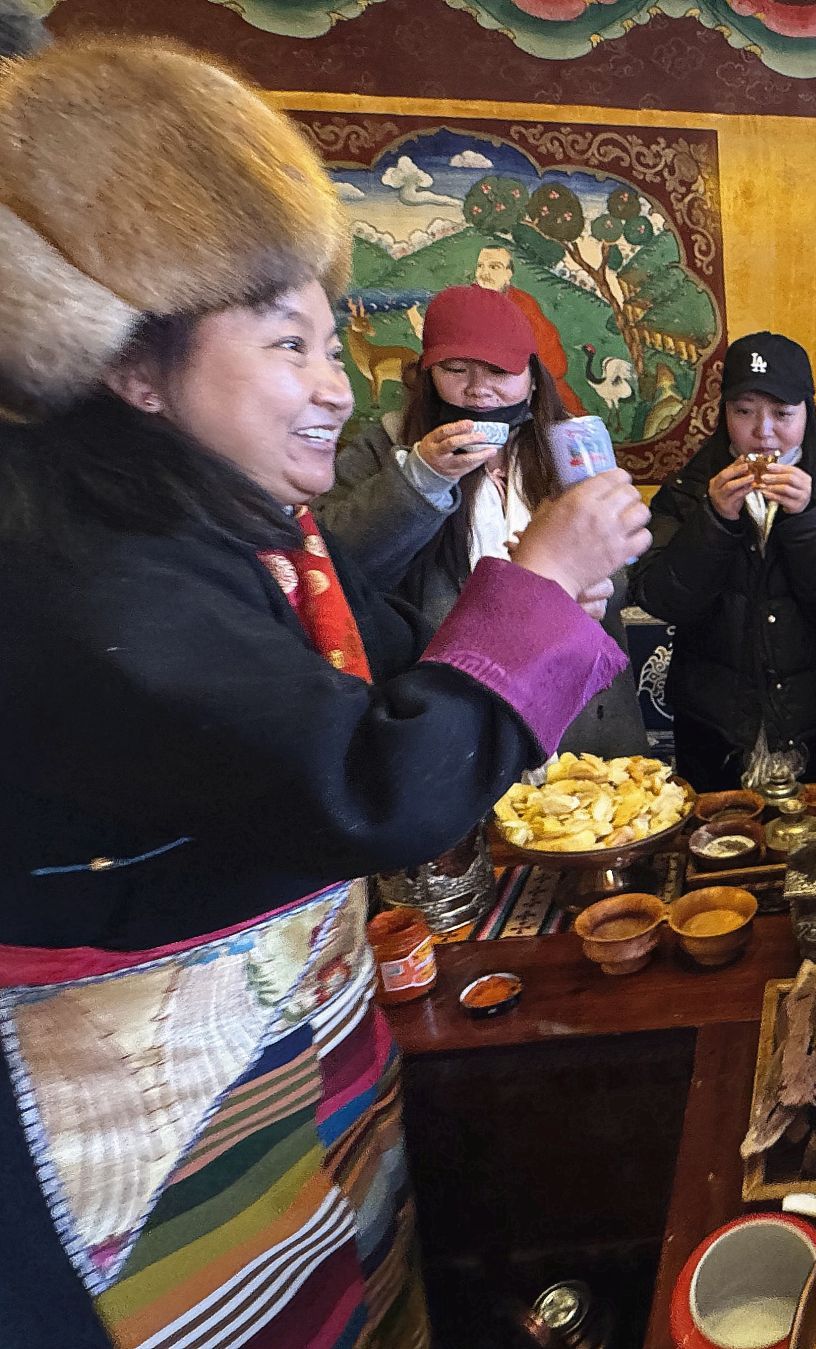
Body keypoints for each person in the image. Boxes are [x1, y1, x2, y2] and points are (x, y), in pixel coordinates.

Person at [0, 39, 652, 1348]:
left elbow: (381, 662)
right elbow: (371, 782)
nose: (331, 385)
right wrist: (535, 586)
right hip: (147, 1118)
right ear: (135, 367)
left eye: (329, 341)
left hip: (293, 1046)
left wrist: (543, 599)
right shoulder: (91, 568)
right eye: (286, 343)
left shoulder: (227, 521)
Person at [315, 283, 650, 755]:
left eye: (498, 371)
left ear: (533, 376)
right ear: (427, 373)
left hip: (582, 714)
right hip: (453, 710)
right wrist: (418, 481)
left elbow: (624, 560)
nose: (477, 389)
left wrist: (595, 586)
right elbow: (334, 572)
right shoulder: (385, 447)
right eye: (455, 369)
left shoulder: (572, 447)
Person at [632, 333, 816, 790]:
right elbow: (661, 598)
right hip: (712, 723)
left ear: (807, 414)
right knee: (716, 831)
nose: (763, 431)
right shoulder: (686, 493)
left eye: (782, 414)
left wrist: (809, 519)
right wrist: (714, 519)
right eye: (744, 411)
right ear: (723, 414)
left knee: (810, 832)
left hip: (811, 718)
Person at [473, 243, 586, 416]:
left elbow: (552, 357)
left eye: (494, 267)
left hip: (526, 385)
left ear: (508, 273)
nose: (485, 273)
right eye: (481, 266)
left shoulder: (523, 304)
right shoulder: (464, 302)